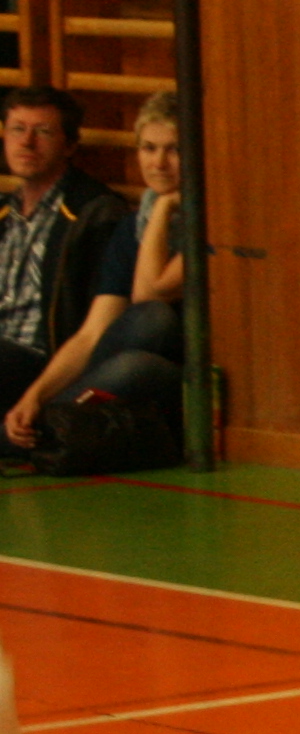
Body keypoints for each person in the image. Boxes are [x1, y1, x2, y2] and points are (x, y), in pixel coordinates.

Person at [9, 87, 186, 465]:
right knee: (131, 357)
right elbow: (93, 333)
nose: (159, 163)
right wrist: (34, 396)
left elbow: (150, 292)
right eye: (149, 148)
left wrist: (164, 208)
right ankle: (46, 424)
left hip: (184, 376)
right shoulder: (132, 227)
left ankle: (40, 433)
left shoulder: (213, 220)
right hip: (119, 369)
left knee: (151, 325)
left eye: (174, 150)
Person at [0, 87, 135, 444]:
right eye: (17, 129)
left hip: (43, 361)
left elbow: (95, 328)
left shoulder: (94, 212)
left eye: (42, 132)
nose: (26, 142)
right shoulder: (4, 212)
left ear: (70, 145)